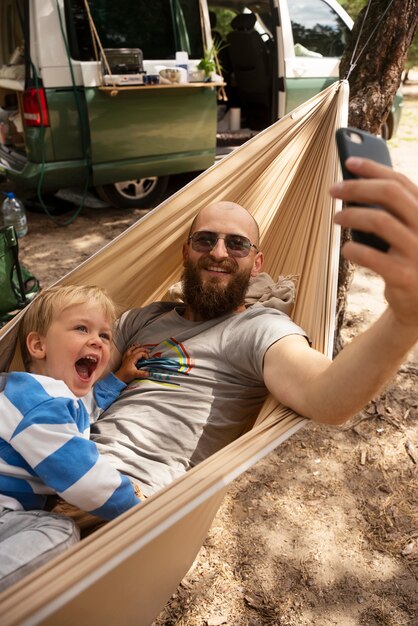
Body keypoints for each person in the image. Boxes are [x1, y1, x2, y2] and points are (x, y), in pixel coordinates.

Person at [91, 157, 418, 498]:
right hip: (63, 452)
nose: (219, 253)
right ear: (185, 252)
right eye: (205, 240)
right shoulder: (142, 319)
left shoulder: (258, 329)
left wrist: (404, 318)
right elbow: (74, 381)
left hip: (128, 497)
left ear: (256, 263)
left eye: (237, 244)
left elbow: (325, 395)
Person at [0, 285, 147, 591]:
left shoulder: (42, 395)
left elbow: (83, 408)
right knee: (60, 532)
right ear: (38, 346)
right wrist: (139, 510)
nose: (96, 340)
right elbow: (86, 482)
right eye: (82, 328)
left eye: (105, 336)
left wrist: (118, 378)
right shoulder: (41, 407)